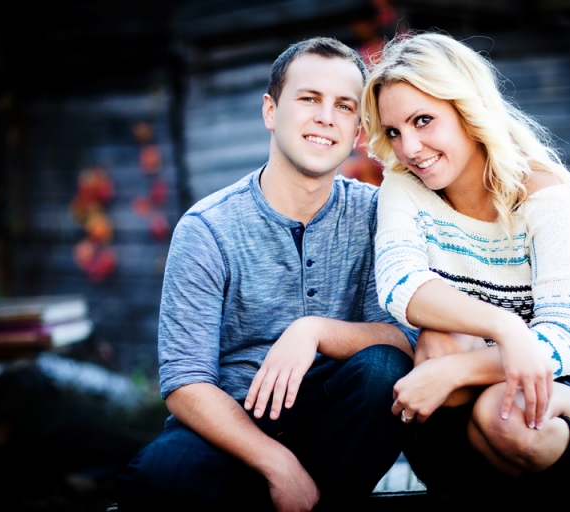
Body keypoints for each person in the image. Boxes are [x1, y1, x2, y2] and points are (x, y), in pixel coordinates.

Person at [114, 37, 416, 512]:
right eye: (309, 99)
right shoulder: (207, 228)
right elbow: (185, 380)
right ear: (271, 111)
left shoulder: (379, 215)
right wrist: (278, 463)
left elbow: (403, 340)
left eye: (344, 106)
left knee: (384, 370)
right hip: (232, 425)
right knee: (160, 475)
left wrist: (314, 331)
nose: (326, 117)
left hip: (334, 425)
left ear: (357, 128)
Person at [361, 32, 570, 509]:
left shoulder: (543, 196)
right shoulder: (404, 186)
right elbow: (399, 285)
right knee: (437, 340)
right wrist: (505, 328)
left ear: (467, 110)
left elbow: (563, 335)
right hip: (461, 405)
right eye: (394, 132)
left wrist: (456, 370)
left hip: (561, 391)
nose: (410, 147)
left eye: (423, 121)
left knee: (501, 413)